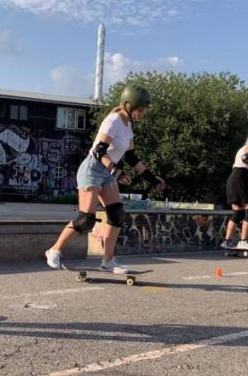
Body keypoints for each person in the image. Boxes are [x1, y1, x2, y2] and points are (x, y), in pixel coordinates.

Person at [45, 85, 165, 273]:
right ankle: (54, 250)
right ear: (128, 105)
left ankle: (107, 261)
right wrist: (118, 173)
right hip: (92, 169)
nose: (143, 114)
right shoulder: (113, 121)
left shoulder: (128, 126)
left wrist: (152, 178)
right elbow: (98, 151)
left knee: (117, 215)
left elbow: (131, 157)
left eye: (144, 111)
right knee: (86, 219)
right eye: (140, 110)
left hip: (107, 172)